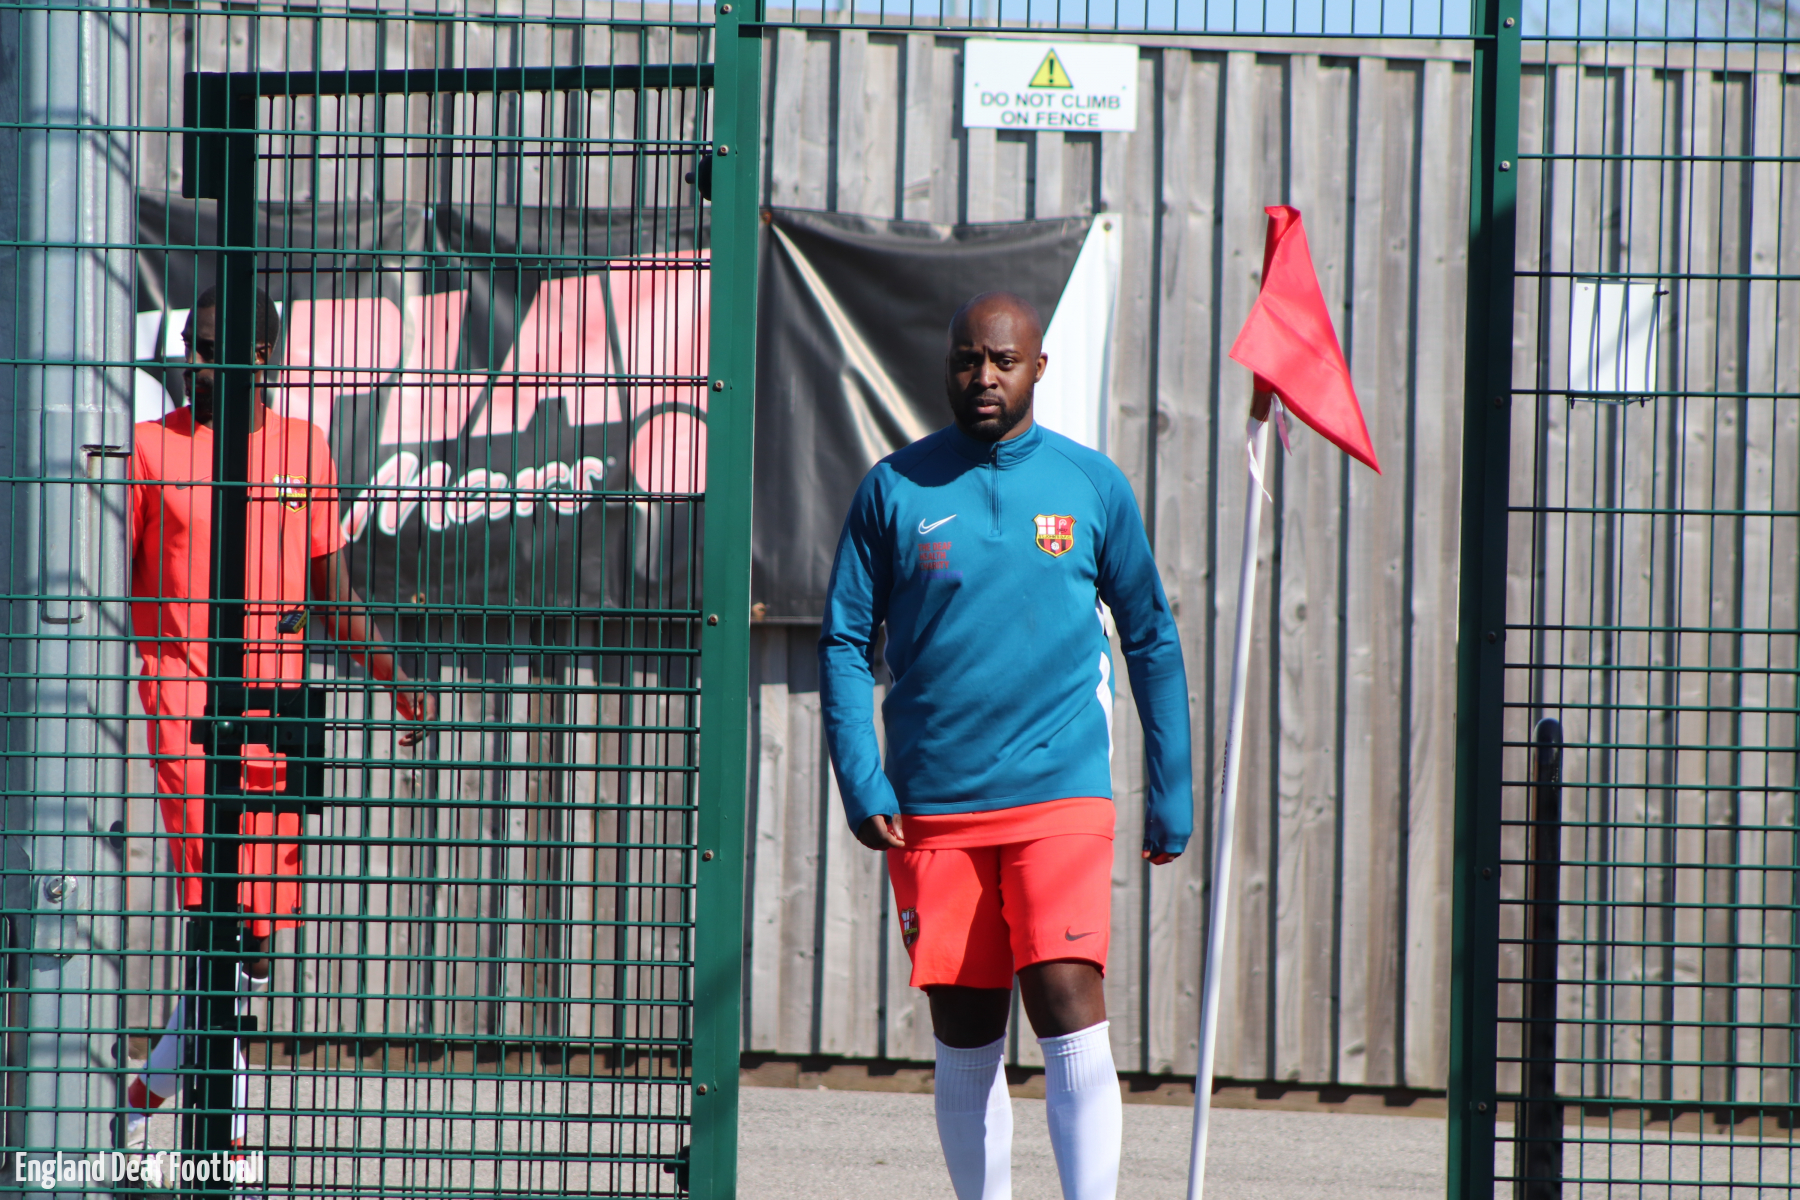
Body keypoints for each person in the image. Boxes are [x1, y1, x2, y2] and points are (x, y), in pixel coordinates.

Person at [819, 292, 1193, 1200]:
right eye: (966, 360)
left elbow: (1150, 635)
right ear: (947, 366)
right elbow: (844, 642)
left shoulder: (1091, 484)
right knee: (967, 1029)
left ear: (1037, 368)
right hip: (935, 806)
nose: (983, 376)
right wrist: (861, 778)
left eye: (1002, 360)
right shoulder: (894, 488)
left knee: (1066, 1000)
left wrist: (1171, 780)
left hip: (1060, 790)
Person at [123, 285, 434, 1149]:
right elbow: (115, 579)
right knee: (218, 913)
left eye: (210, 347)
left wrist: (392, 674)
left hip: (280, 708)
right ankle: (232, 1142)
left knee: (258, 934)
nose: (194, 362)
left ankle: (150, 1088)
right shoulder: (150, 448)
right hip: (185, 704)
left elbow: (333, 591)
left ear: (262, 358)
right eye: (189, 345)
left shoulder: (305, 448)